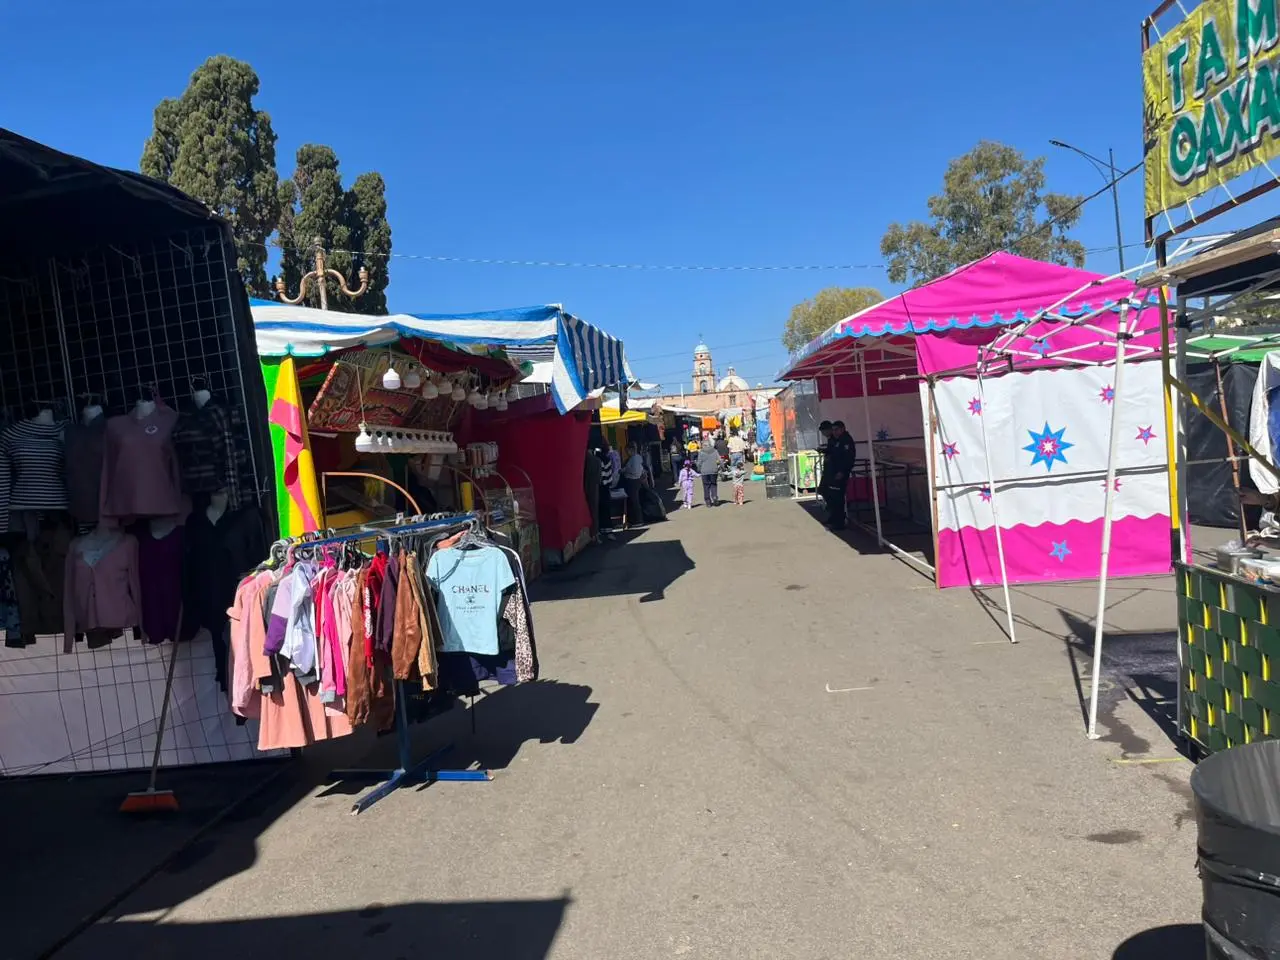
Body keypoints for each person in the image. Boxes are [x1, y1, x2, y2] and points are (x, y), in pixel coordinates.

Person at [822, 420, 856, 530]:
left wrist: (842, 471)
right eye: (833, 430)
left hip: (840, 473)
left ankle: (839, 522)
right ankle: (835, 518)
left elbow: (848, 459)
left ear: (842, 429)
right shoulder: (837, 440)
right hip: (834, 471)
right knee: (830, 494)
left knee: (838, 498)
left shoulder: (846, 441)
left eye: (836, 429)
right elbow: (834, 453)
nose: (834, 432)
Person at [621, 443, 647, 527]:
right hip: (636, 481)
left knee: (634, 501)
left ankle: (638, 520)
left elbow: (634, 471)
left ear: (630, 449)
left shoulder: (634, 459)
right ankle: (635, 520)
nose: (626, 452)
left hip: (632, 481)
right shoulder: (638, 458)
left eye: (627, 451)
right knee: (634, 501)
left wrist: (624, 471)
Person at [597, 447, 618, 540]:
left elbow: (600, 477)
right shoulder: (608, 459)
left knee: (600, 509)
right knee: (606, 510)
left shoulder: (599, 461)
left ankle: (601, 530)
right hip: (607, 487)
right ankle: (609, 531)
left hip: (601, 487)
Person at [697, 440, 721, 507]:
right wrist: (723, 467)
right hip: (714, 470)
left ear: (703, 445)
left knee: (706, 486)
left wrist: (698, 469)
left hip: (704, 472)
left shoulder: (701, 452)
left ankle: (708, 502)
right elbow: (720, 460)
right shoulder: (715, 451)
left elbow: (699, 463)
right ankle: (714, 496)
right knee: (714, 484)